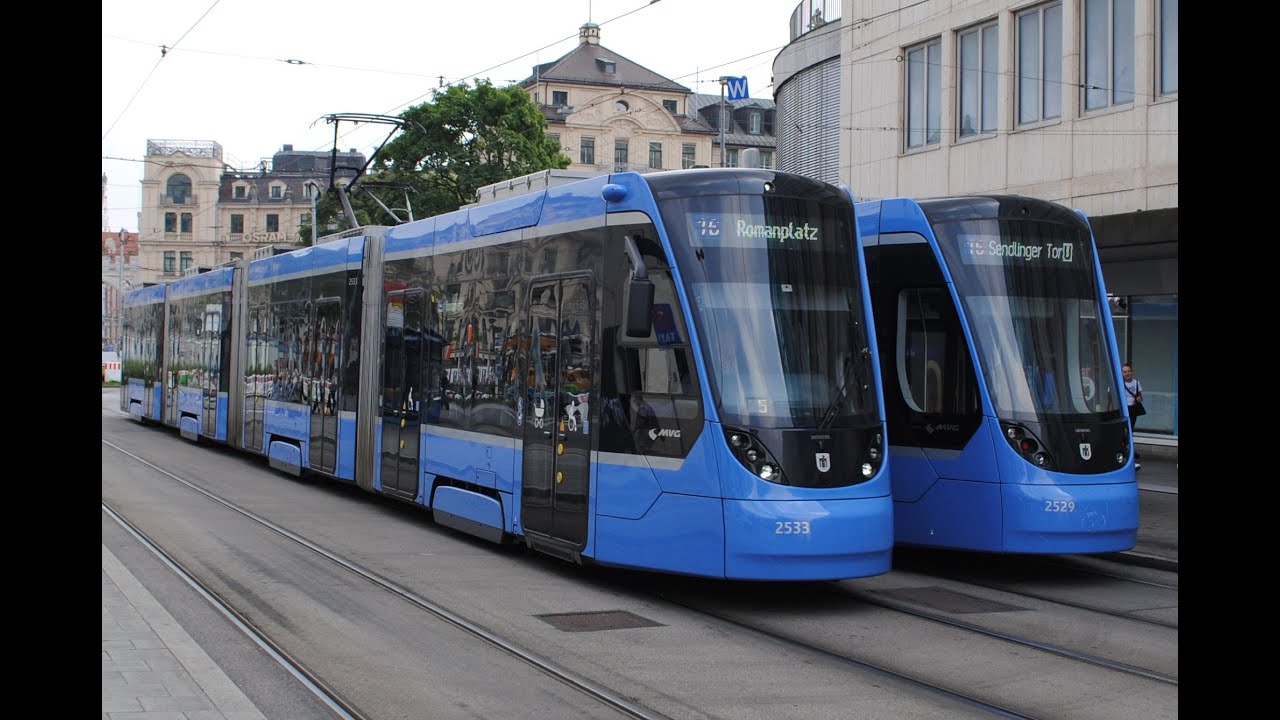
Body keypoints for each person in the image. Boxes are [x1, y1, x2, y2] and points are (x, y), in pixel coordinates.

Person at [1122, 363, 1143, 470]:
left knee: (1129, 431)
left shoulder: (1136, 383)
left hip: (1132, 409)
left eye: (1128, 371)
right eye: (1125, 372)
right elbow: (1110, 397)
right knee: (1123, 431)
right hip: (1122, 410)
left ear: (1132, 371)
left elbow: (1140, 397)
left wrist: (1139, 399)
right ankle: (1129, 452)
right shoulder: (1119, 382)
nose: (1127, 373)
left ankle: (1130, 453)